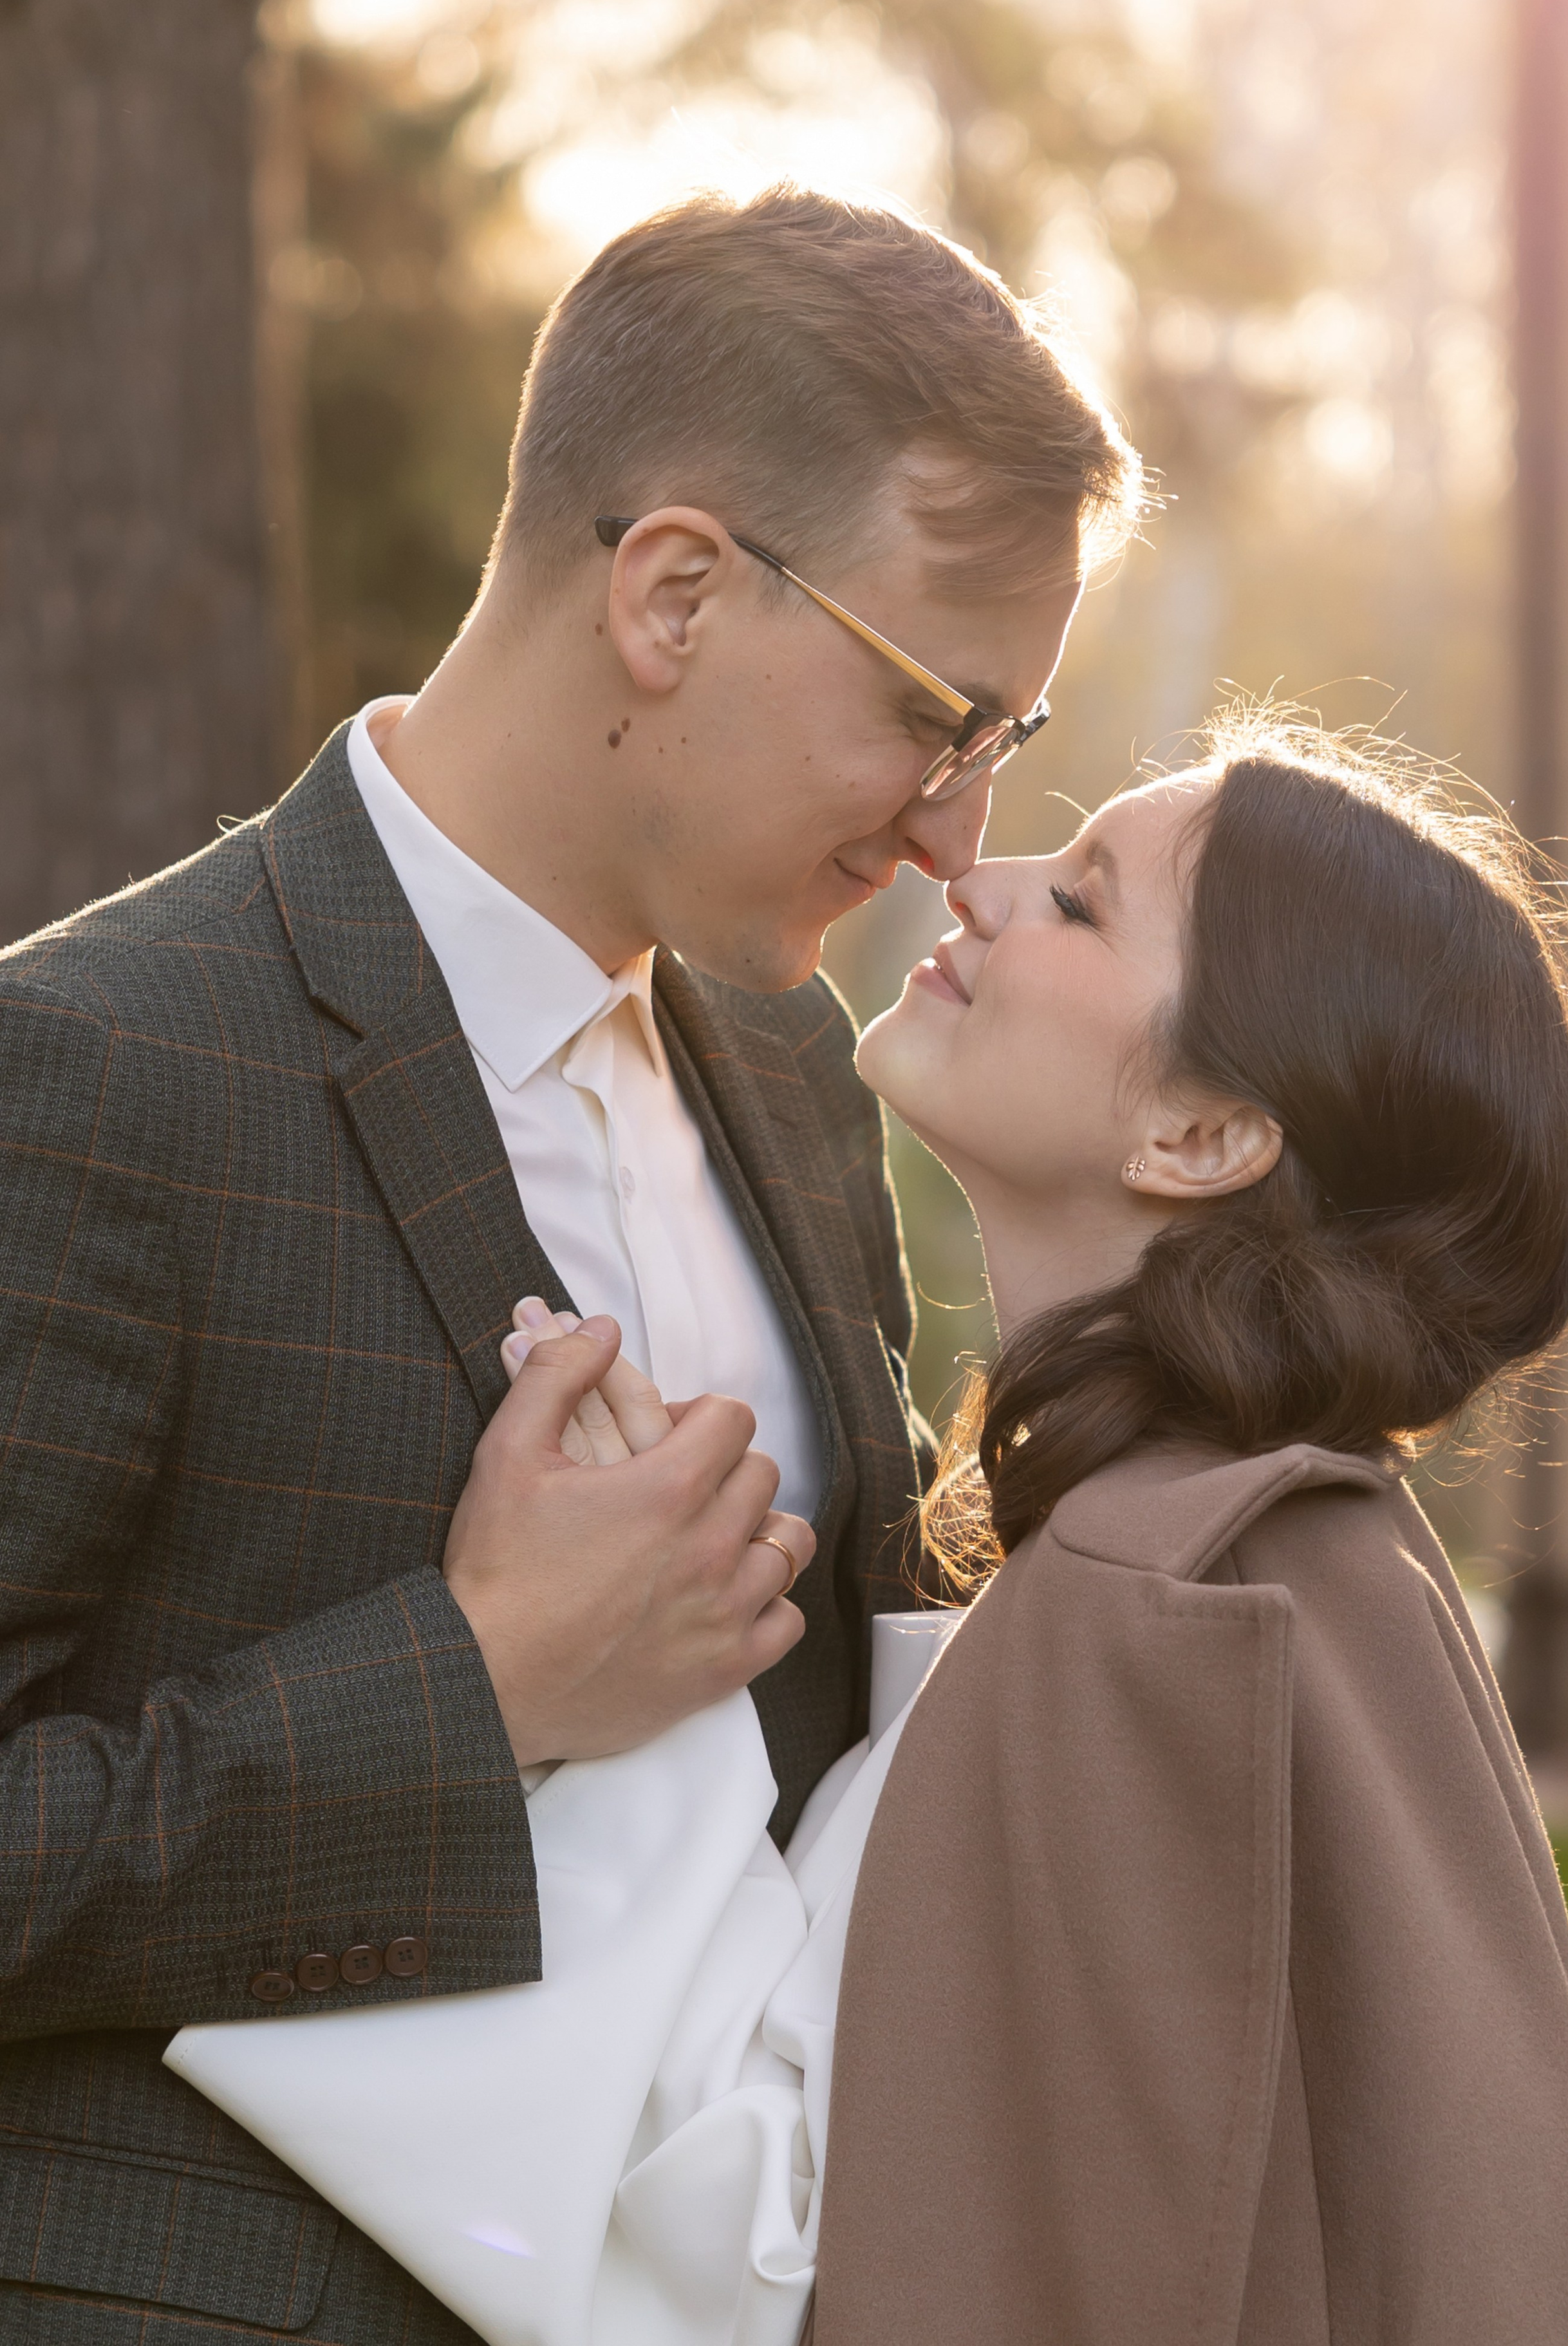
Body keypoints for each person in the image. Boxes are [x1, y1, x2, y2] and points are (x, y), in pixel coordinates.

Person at [0, 185, 1137, 2341]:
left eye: (1004, 746)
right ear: (673, 594)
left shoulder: (796, 1074)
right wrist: (477, 1686)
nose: (954, 831)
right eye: (936, 712)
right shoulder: (94, 1068)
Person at [812, 707, 1568, 2344]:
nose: (977, 878)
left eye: (1078, 901)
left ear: (1199, 1137)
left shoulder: (1155, 1596)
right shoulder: (1324, 1549)